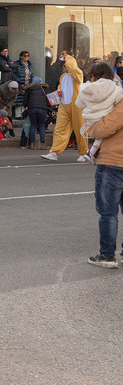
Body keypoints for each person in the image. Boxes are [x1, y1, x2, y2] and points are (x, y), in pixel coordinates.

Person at [81, 83, 123, 268]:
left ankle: (107, 256)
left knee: (108, 213)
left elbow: (105, 128)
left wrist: (90, 129)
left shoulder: (119, 105)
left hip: (114, 163)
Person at [42, 54, 88, 162]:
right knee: (59, 129)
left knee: (80, 129)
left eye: (65, 64)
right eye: (62, 64)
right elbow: (60, 88)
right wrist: (58, 93)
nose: (63, 66)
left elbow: (75, 71)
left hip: (77, 106)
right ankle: (54, 152)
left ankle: (84, 153)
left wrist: (69, 60)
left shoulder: (78, 74)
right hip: (64, 105)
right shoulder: (62, 77)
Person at [77, 62, 123, 163]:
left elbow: (79, 104)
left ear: (92, 76)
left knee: (98, 136)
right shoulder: (115, 88)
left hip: (90, 120)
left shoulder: (85, 89)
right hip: (105, 118)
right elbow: (119, 101)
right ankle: (92, 152)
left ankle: (92, 152)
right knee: (102, 138)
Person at [21, 76, 49, 149]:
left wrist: (26, 106)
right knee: (42, 125)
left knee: (33, 125)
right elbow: (47, 100)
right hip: (42, 109)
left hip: (32, 108)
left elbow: (25, 100)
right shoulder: (43, 89)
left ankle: (32, 143)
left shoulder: (29, 89)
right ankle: (42, 143)